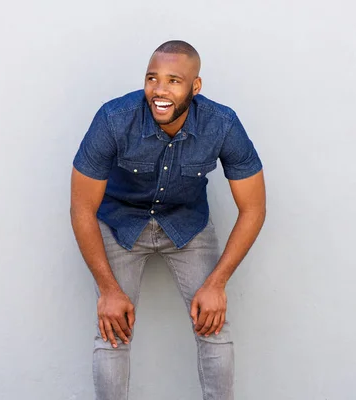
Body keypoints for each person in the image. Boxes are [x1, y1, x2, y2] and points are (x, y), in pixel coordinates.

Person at [70, 40, 266, 400]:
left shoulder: (221, 124)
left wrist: (217, 284)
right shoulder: (114, 119)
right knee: (112, 330)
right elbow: (81, 208)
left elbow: (254, 208)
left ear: (195, 86)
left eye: (174, 80)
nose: (159, 90)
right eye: (152, 78)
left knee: (213, 326)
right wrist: (109, 291)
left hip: (187, 224)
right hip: (120, 223)